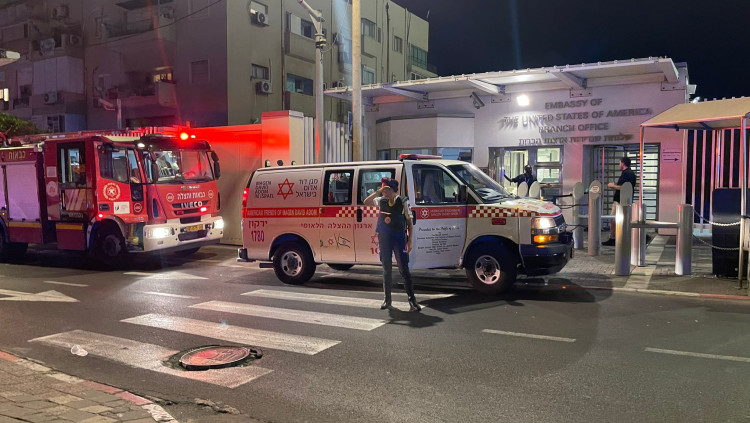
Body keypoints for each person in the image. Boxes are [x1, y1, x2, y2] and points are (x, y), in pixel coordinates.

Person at [363, 177, 421, 312]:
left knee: (404, 269)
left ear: (391, 189)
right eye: (382, 189)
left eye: (385, 189)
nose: (383, 191)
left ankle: (412, 300)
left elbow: (409, 222)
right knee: (386, 268)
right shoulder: (381, 200)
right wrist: (378, 192)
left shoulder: (403, 201)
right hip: (384, 238)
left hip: (399, 237)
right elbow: (366, 202)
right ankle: (387, 300)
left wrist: (409, 241)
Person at [602, 156, 637, 246]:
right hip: (624, 201)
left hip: (620, 201)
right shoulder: (630, 173)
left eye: (619, 163)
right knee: (620, 220)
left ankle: (613, 238)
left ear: (622, 163)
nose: (619, 164)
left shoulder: (627, 174)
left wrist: (613, 186)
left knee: (613, 219)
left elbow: (624, 187)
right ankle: (620, 238)